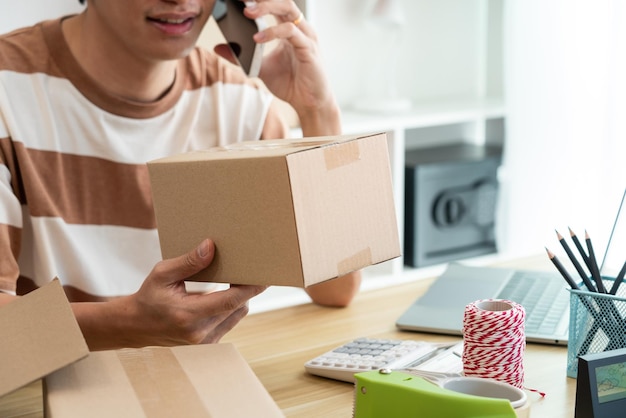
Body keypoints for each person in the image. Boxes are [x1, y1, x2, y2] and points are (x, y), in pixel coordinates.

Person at [0, 0, 361, 350]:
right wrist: (128, 324)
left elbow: (336, 288)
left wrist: (318, 111)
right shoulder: (9, 87)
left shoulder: (239, 103)